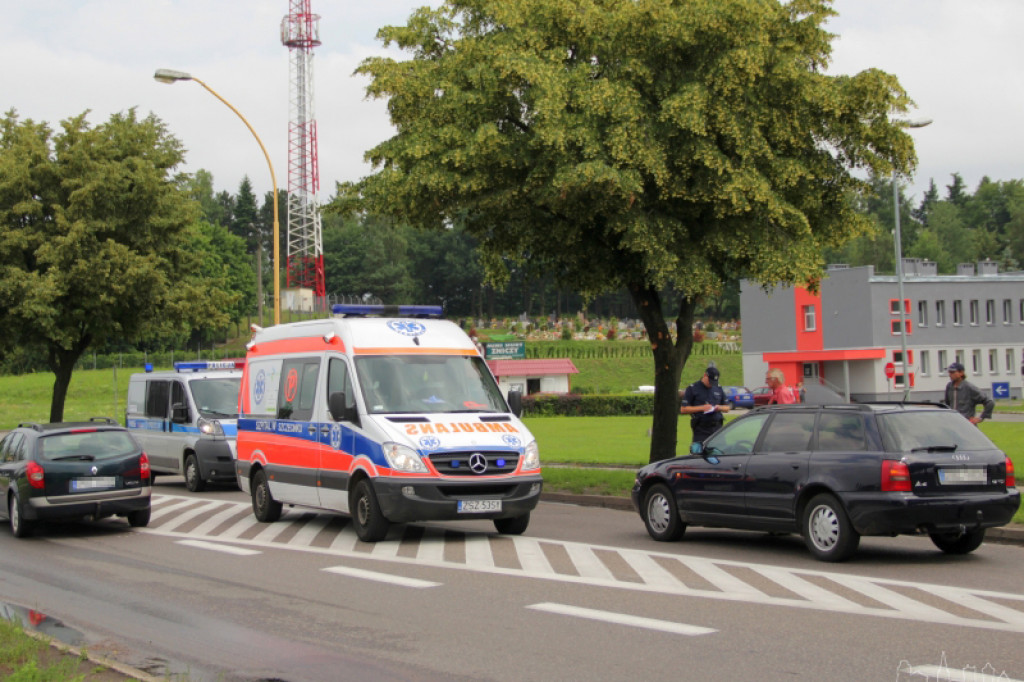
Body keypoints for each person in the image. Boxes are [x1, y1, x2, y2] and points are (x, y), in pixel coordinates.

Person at [680, 366, 731, 442]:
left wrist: (719, 407)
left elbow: (727, 408)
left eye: (713, 382)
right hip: (701, 429)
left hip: (717, 428)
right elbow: (683, 409)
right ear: (705, 376)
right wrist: (702, 408)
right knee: (701, 452)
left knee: (720, 452)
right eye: (710, 381)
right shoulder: (693, 388)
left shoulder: (718, 388)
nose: (711, 384)